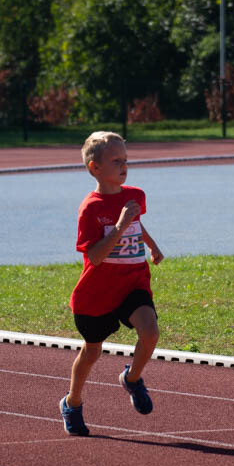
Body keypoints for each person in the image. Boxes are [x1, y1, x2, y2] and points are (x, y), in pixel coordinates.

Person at [60, 131, 164, 436]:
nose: (124, 166)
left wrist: (152, 244)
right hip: (97, 293)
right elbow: (94, 255)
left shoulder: (135, 195)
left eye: (126, 160)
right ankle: (72, 401)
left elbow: (136, 222)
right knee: (92, 352)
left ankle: (132, 378)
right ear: (95, 168)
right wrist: (117, 228)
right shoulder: (90, 209)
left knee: (151, 331)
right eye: (116, 161)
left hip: (133, 283)